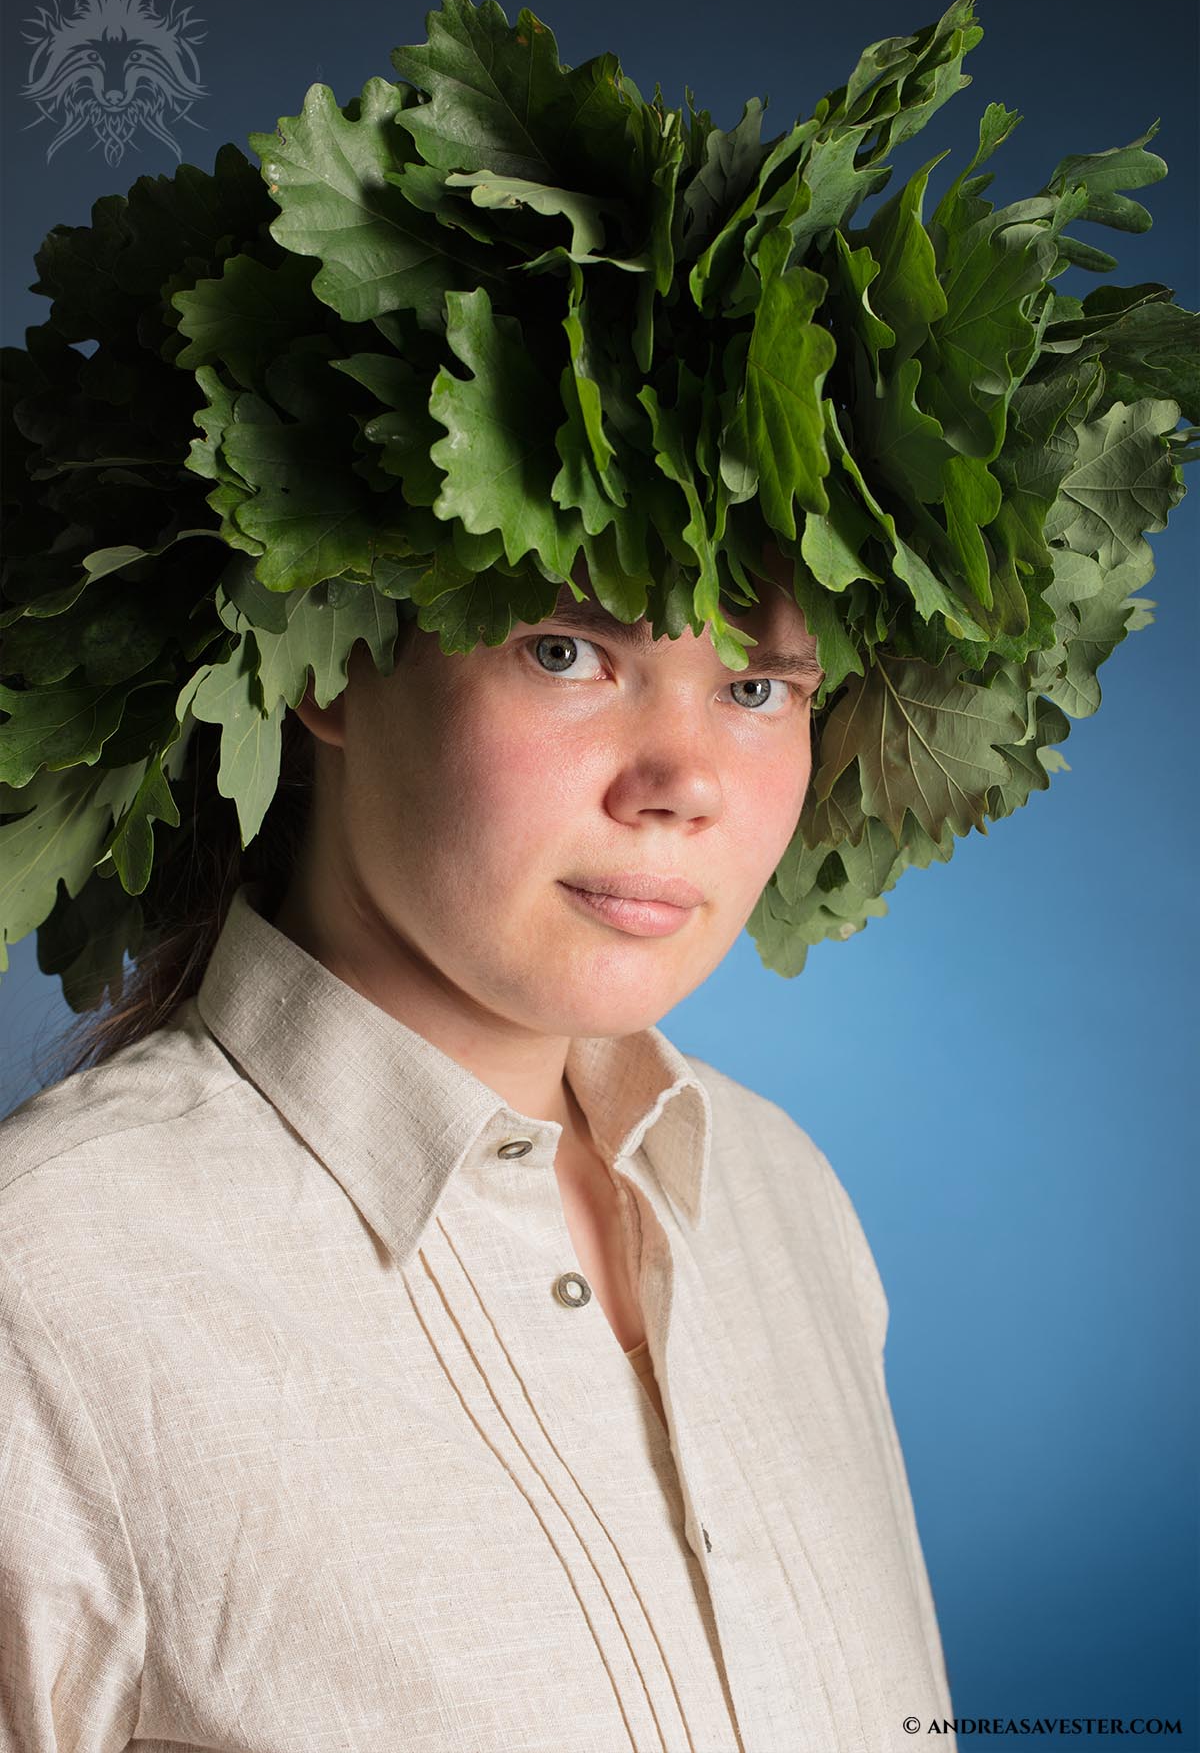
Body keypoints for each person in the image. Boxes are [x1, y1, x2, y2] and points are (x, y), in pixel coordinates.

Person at [0, 538, 956, 1751]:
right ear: (333, 658)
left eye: (757, 688)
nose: (685, 782)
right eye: (566, 653)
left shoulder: (785, 1200)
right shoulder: (45, 1284)